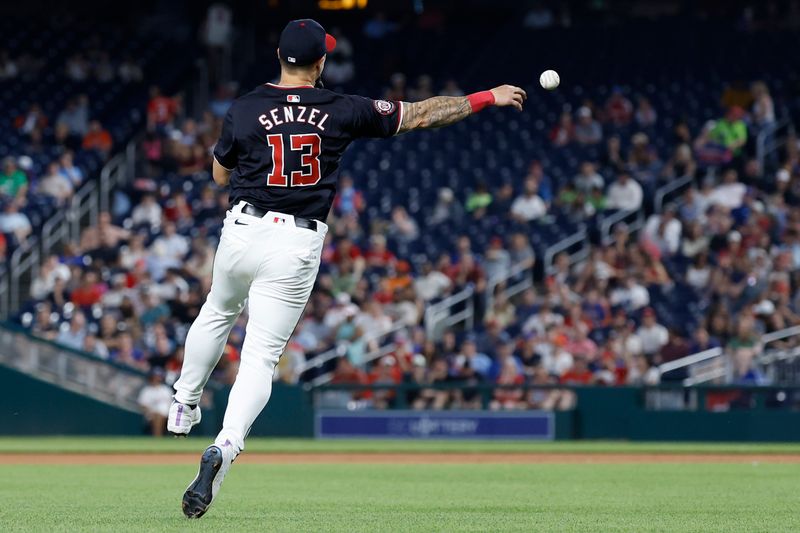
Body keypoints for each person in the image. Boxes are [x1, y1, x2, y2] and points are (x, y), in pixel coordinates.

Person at [170, 18, 527, 519]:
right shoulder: (341, 109)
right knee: (260, 358)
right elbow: (424, 114)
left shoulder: (246, 106)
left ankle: (184, 403)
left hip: (243, 227)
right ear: (320, 63)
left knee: (217, 310)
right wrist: (487, 95)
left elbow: (218, 172)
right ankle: (225, 446)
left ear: (278, 56)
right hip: (296, 241)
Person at [137, 368, 174, 437]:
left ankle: (158, 439)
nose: (157, 379)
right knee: (157, 416)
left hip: (167, 413)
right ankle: (158, 439)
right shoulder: (146, 390)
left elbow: (171, 404)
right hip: (151, 414)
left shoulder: (166, 389)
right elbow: (142, 405)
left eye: (158, 377)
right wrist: (150, 411)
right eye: (155, 377)